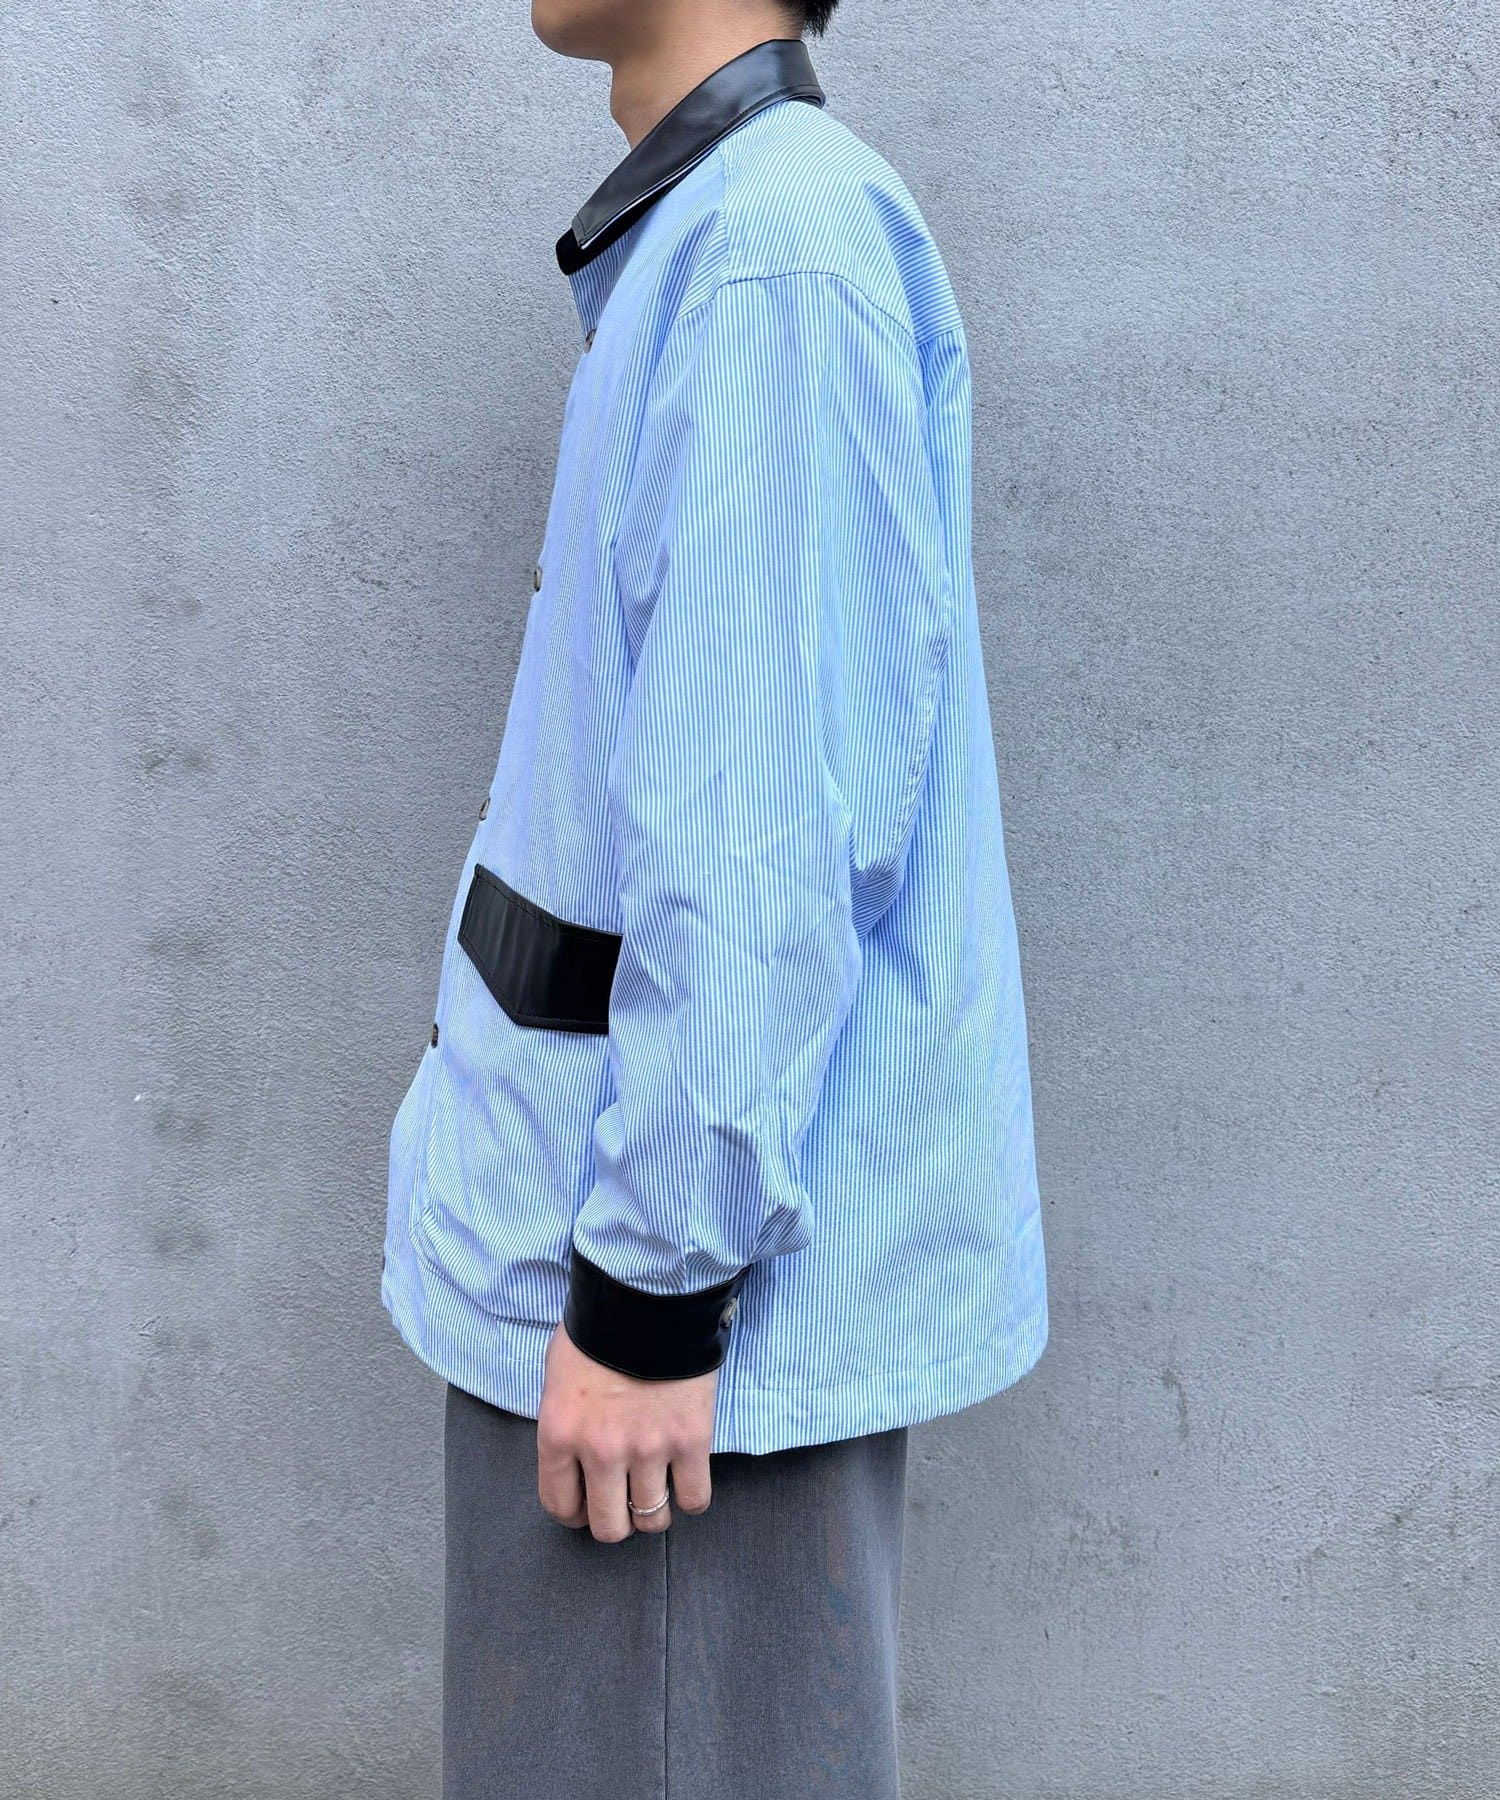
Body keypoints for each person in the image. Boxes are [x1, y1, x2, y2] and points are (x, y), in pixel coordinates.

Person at [380, 2, 1049, 1793]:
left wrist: (650, 1298)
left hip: (666, 1342)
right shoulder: (724, 232)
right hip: (616, 1274)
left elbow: (763, 835)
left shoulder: (774, 251)